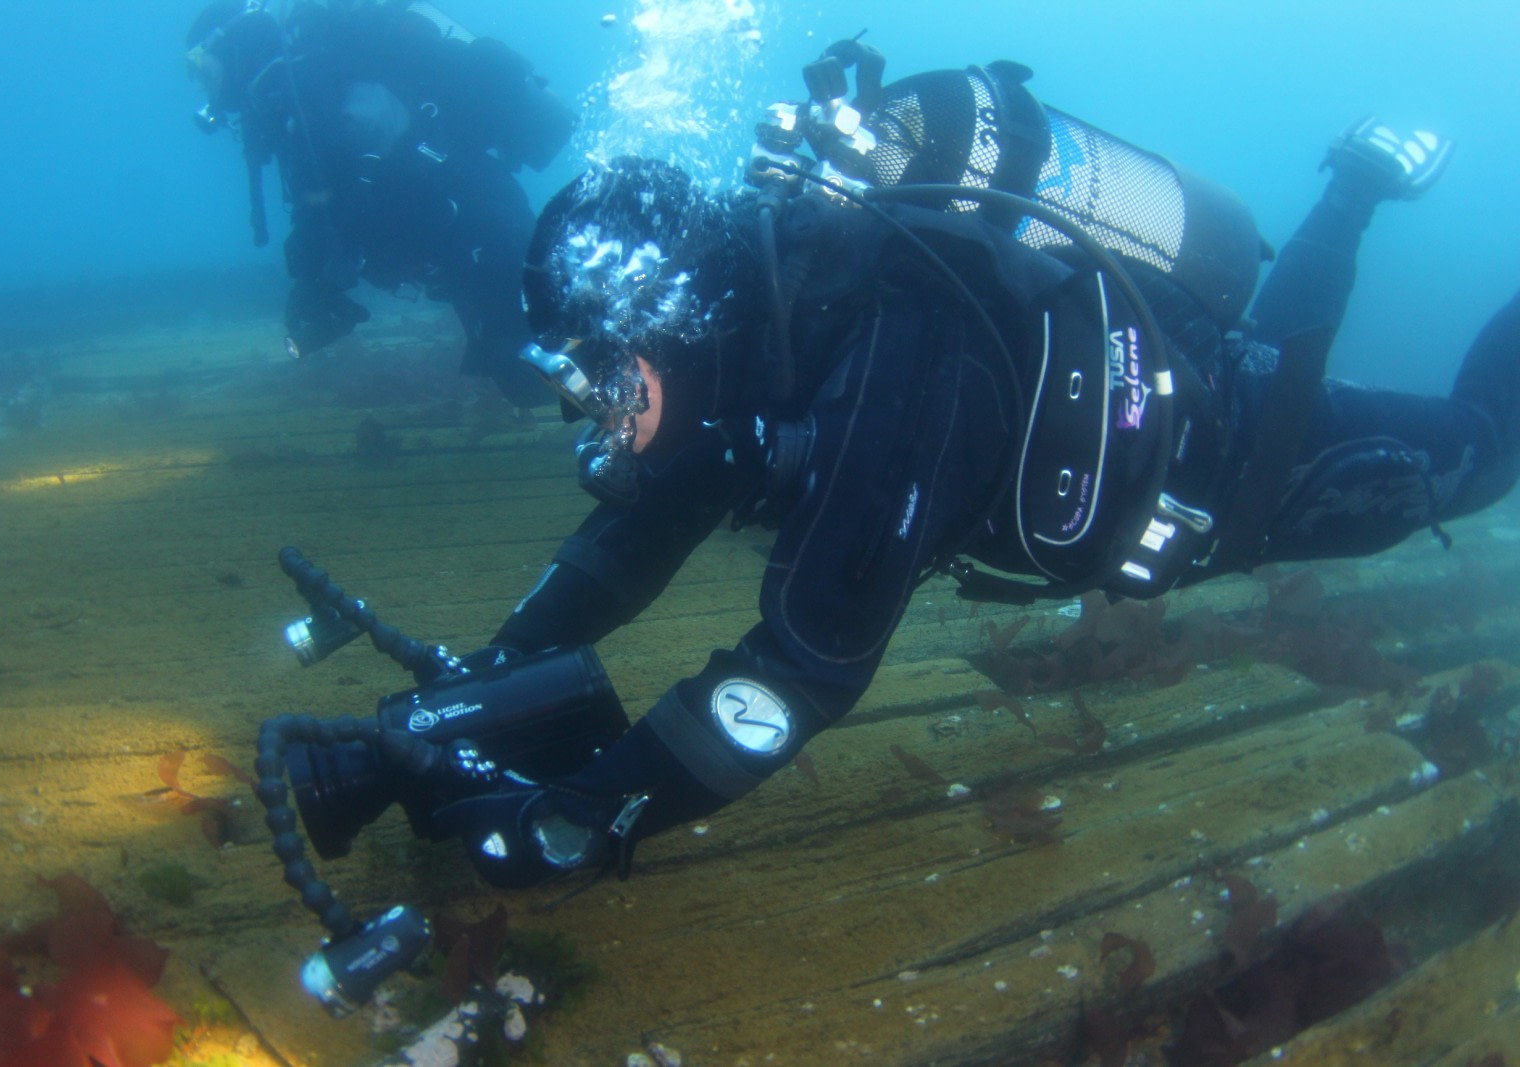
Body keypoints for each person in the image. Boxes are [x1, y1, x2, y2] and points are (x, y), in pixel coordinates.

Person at [307, 48, 1519, 894]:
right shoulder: (761, 347)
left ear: (672, 322)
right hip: (1196, 383)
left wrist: (571, 823)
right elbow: (638, 537)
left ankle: (1354, 193)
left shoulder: (902, 355)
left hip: (1231, 468)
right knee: (1275, 353)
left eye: (608, 374)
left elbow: (797, 674)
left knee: (1476, 453)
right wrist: (487, 679)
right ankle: (1350, 190)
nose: (597, 416)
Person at [185, 0, 575, 406]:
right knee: (532, 365)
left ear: (230, 48)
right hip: (473, 227)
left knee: (532, 367)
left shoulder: (300, 90)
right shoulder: (303, 83)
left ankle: (636, 421)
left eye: (201, 69)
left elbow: (329, 202)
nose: (203, 87)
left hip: (476, 230)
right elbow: (344, 197)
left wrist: (318, 279)